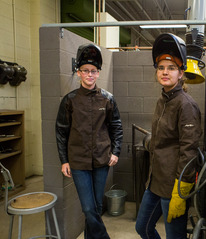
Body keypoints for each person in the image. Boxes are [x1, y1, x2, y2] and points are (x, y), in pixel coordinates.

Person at [135, 33, 202, 239]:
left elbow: (188, 151)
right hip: (155, 181)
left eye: (171, 68)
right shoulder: (162, 100)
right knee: (142, 228)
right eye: (161, 67)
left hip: (174, 185)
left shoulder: (186, 105)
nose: (165, 72)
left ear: (181, 73)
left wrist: (181, 190)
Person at [55, 43, 123, 239]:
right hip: (78, 162)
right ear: (78, 73)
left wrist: (116, 152)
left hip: (102, 159)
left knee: (96, 206)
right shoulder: (70, 100)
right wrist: (64, 160)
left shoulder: (108, 99)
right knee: (87, 206)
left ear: (98, 73)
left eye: (93, 71)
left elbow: (116, 127)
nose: (90, 74)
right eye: (85, 71)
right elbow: (61, 131)